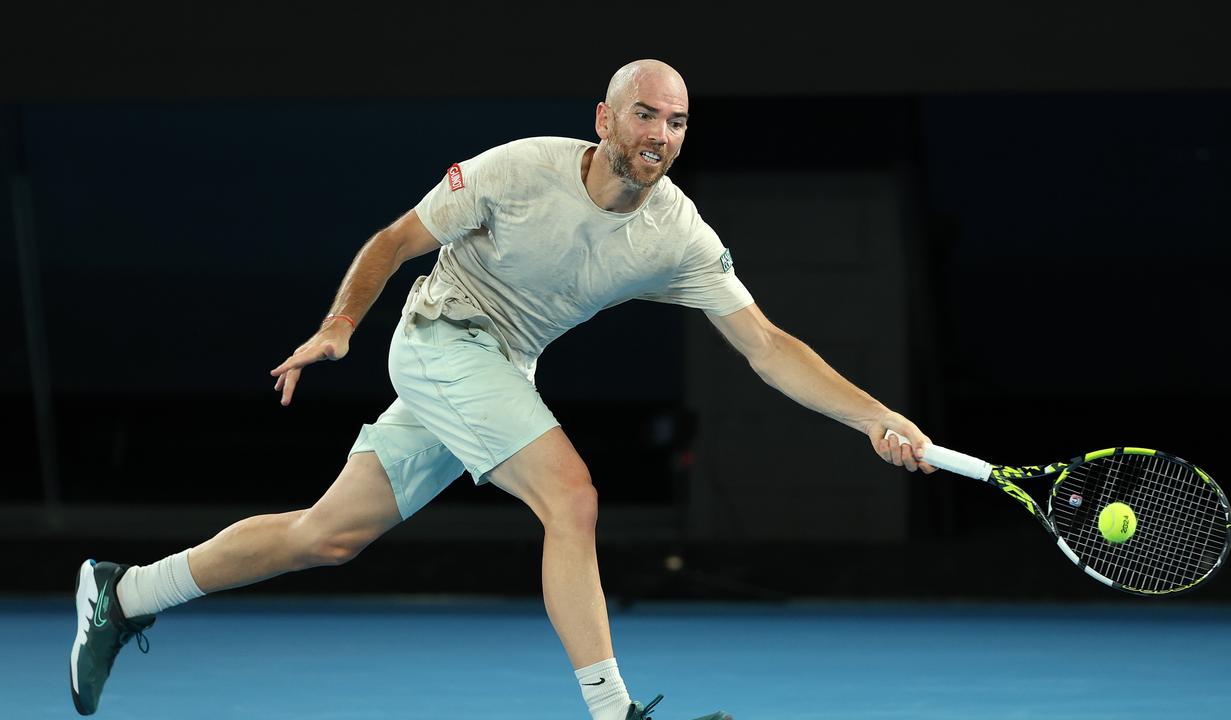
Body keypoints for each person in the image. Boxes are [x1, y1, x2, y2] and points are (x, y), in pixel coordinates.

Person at [69, 58, 936, 719]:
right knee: (573, 498)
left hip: (499, 370)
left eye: (676, 122)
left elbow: (767, 346)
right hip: (439, 339)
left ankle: (125, 592)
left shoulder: (678, 234)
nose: (660, 135)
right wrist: (340, 326)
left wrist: (876, 417)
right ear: (604, 119)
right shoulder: (518, 170)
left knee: (325, 536)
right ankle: (613, 712)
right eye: (645, 114)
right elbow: (395, 239)